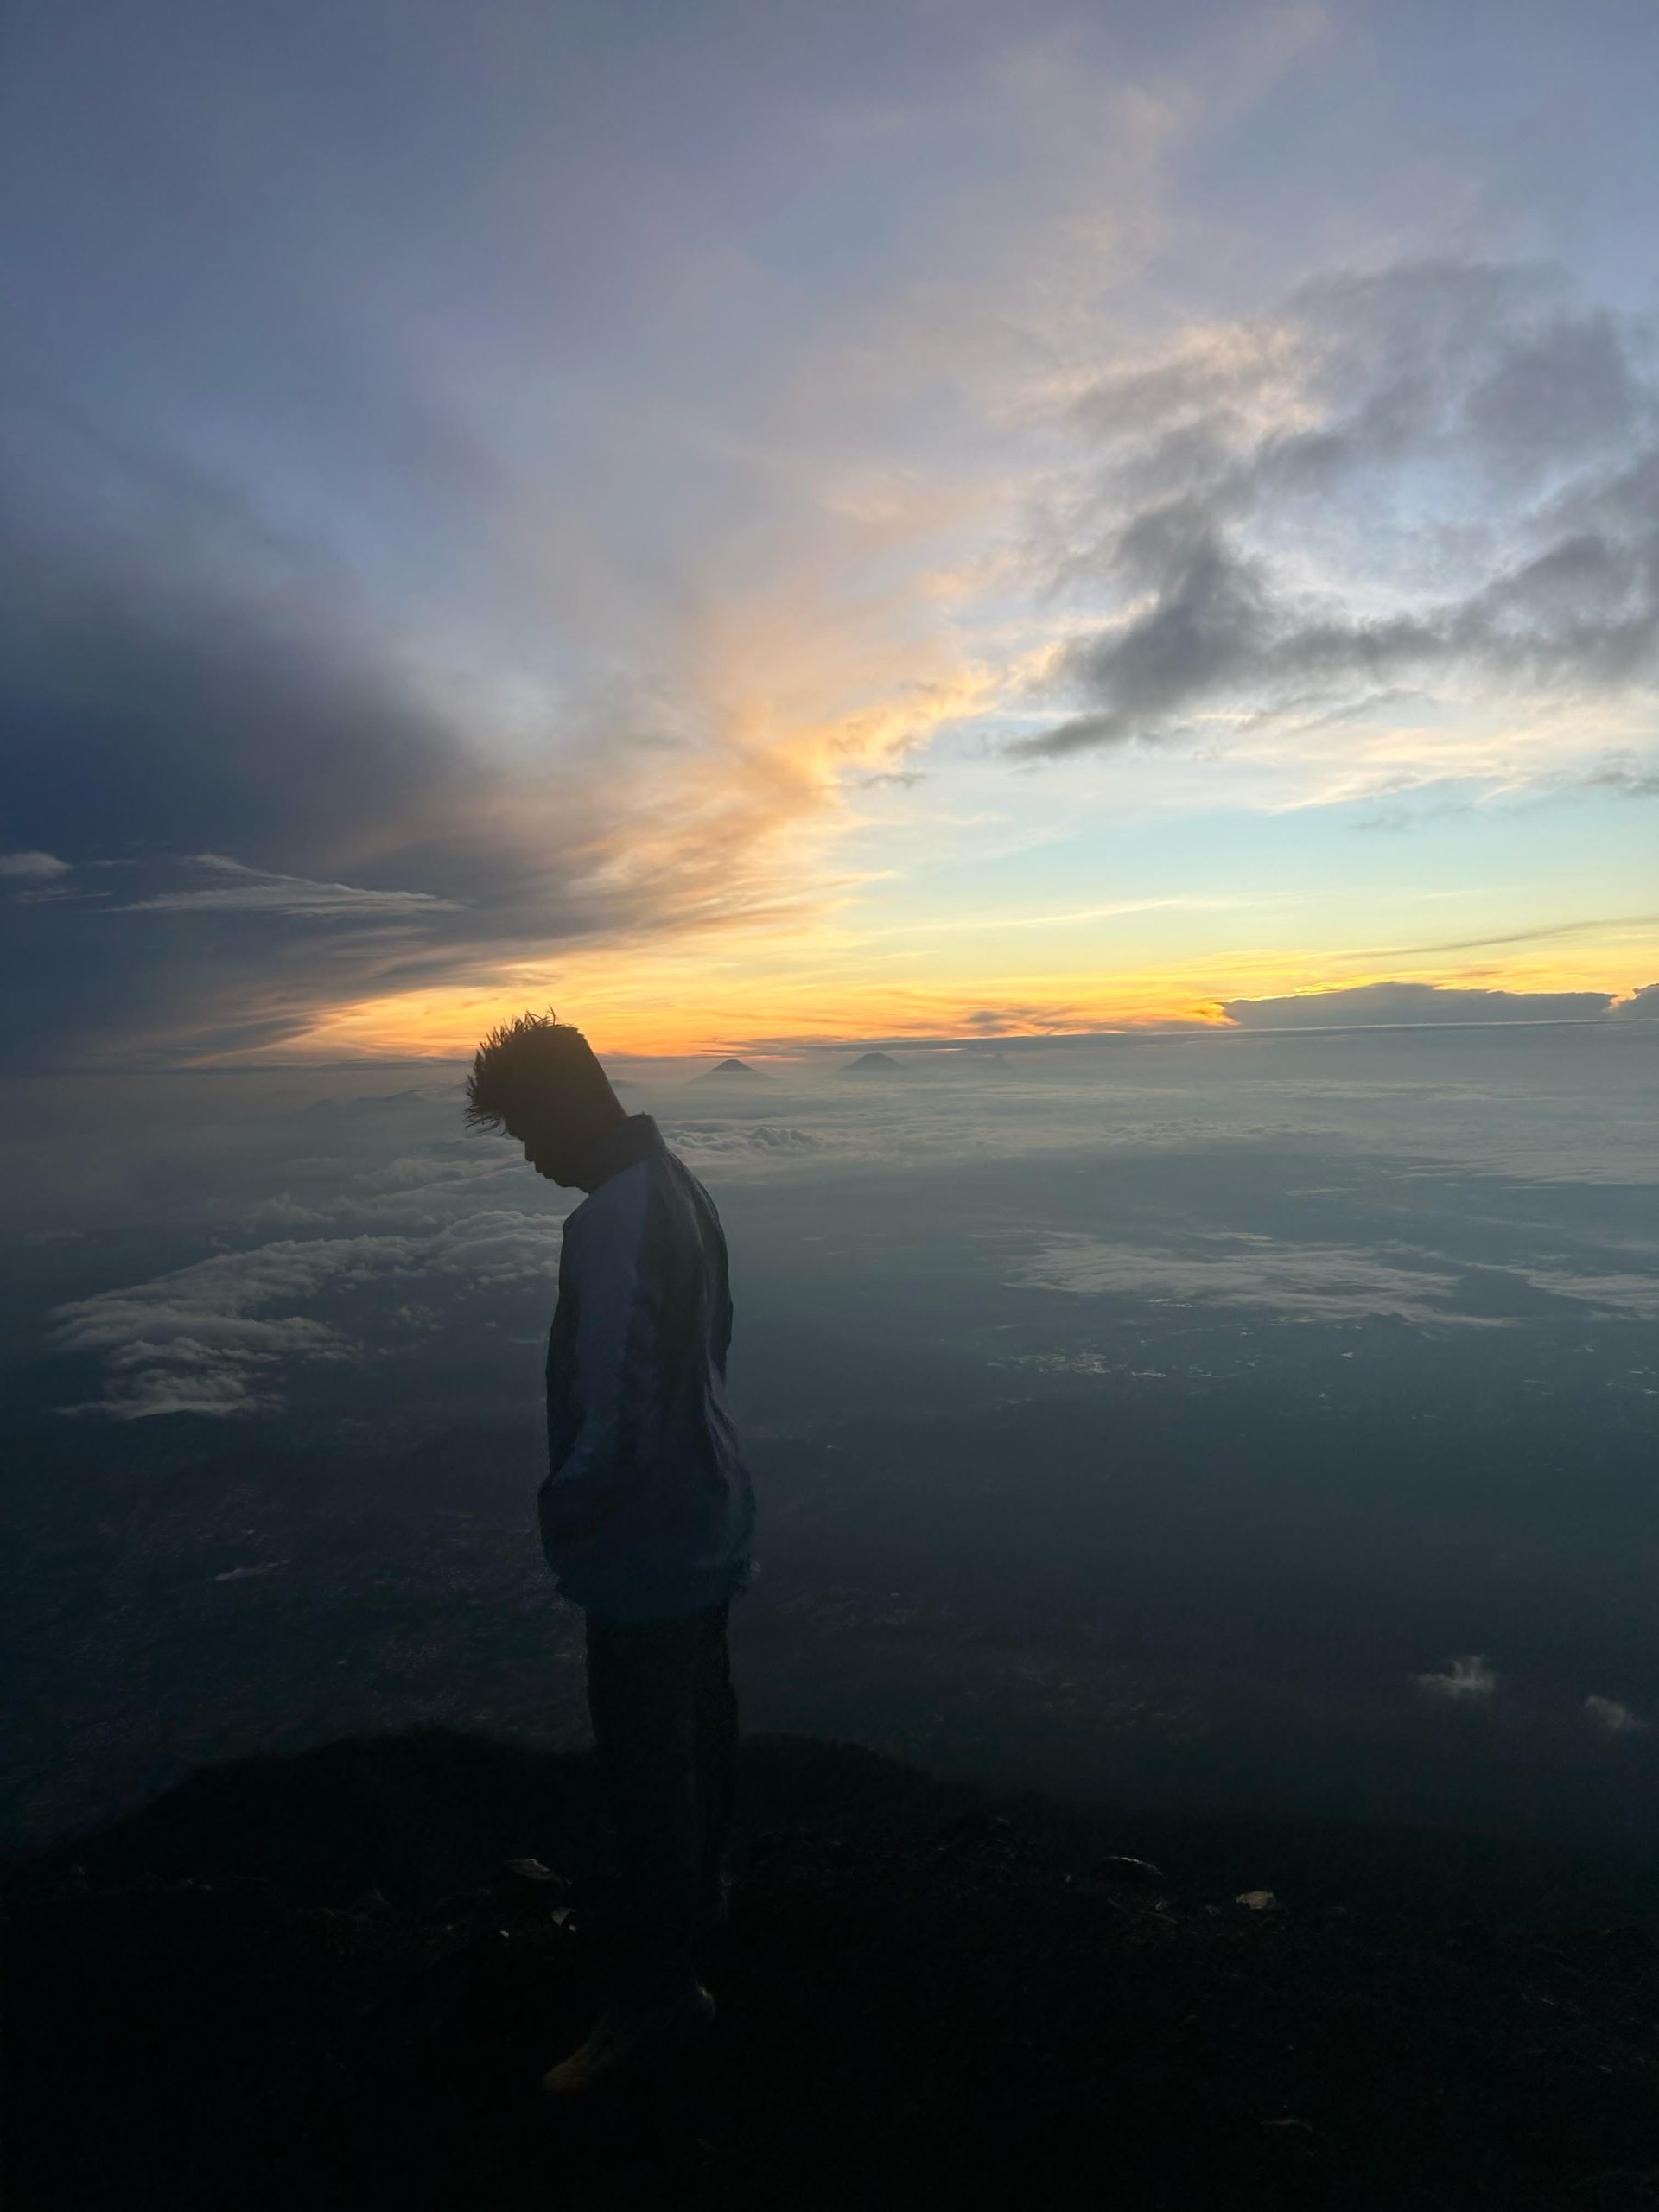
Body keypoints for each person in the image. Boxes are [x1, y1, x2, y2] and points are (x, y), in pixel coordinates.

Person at [463, 1009, 757, 2097]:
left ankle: (656, 1999)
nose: (529, 1155)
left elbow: (616, 1405)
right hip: (709, 1506)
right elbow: (713, 1344)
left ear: (564, 1108)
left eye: (527, 1130)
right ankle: (702, 1903)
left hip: (648, 1537)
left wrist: (570, 1512)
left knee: (645, 1769)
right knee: (700, 1726)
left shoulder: (612, 1222)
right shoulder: (679, 1183)